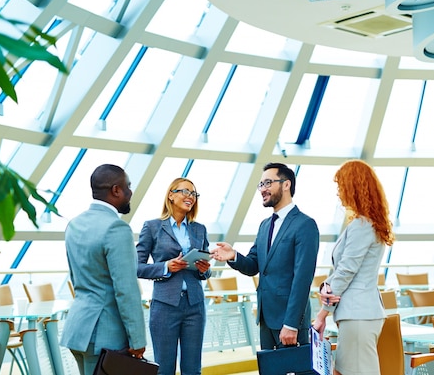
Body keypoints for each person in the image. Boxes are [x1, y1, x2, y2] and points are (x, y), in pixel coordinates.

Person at [211, 162, 319, 349]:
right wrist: (233, 255)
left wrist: (291, 324)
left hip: (290, 323)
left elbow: (302, 279)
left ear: (286, 185)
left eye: (268, 183)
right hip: (266, 319)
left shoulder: (305, 225)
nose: (263, 189)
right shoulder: (264, 226)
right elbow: (254, 265)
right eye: (261, 185)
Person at [61, 164, 147, 375]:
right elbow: (126, 289)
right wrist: (137, 339)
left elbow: (76, 277)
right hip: (105, 334)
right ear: (116, 190)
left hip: (78, 329)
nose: (130, 192)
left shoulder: (75, 224)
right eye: (128, 186)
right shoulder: (116, 228)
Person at [312, 159, 395, 375]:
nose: (339, 193)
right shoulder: (368, 224)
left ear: (354, 187)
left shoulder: (362, 226)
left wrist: (322, 315)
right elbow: (346, 270)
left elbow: (347, 271)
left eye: (341, 186)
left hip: (358, 314)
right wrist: (326, 286)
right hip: (360, 313)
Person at [136, 178, 211, 375]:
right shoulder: (152, 227)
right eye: (185, 192)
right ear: (171, 194)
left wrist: (204, 269)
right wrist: (166, 266)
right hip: (165, 306)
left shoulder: (199, 229)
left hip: (195, 305)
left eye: (194, 194)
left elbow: (207, 270)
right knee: (164, 370)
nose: (190, 197)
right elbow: (136, 267)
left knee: (193, 370)